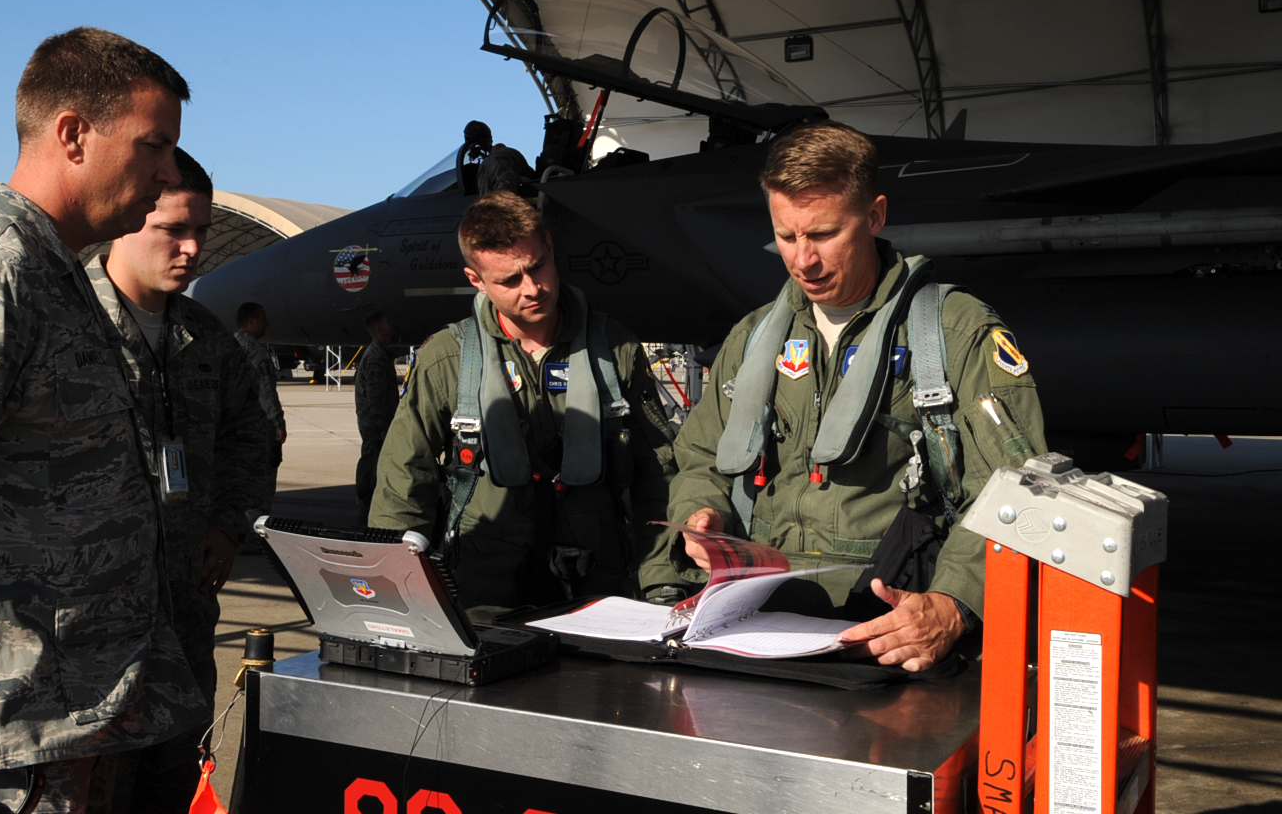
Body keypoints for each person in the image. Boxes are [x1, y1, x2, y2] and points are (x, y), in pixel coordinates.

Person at [0, 27, 205, 811]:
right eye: (153, 147)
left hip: (78, 724)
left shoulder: (53, 274)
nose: (167, 173)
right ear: (72, 134)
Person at [668, 123, 1047, 672]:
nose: (803, 261)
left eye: (823, 235)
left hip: (888, 629)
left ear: (874, 216)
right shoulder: (753, 339)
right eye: (787, 237)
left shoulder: (953, 331)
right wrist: (701, 513)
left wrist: (954, 604)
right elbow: (700, 456)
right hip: (756, 624)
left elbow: (1018, 484)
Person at [368, 191, 680, 614]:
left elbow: (657, 474)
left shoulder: (614, 348)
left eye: (537, 268)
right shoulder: (448, 358)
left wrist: (664, 585)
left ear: (550, 248)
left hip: (599, 588)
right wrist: (391, 595)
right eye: (509, 280)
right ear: (476, 280)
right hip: (487, 591)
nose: (533, 289)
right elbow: (404, 478)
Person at [84, 148, 269, 812]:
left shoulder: (206, 338)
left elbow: (252, 435)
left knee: (170, 785)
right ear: (127, 219)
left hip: (184, 618)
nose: (193, 250)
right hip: (86, 637)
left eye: (202, 233)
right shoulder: (68, 326)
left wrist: (228, 523)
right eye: (173, 231)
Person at [234, 301, 286, 529]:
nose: (267, 324)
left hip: (235, 426)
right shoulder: (255, 350)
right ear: (252, 321)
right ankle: (254, 534)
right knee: (261, 482)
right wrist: (277, 422)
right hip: (258, 426)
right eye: (263, 320)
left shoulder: (230, 346)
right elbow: (265, 390)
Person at [354, 311, 399, 523]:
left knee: (377, 471)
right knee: (372, 472)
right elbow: (376, 395)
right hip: (376, 428)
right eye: (388, 321)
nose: (392, 325)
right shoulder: (376, 356)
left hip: (378, 426)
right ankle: (366, 517)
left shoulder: (380, 354)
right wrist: (383, 427)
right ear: (380, 328)